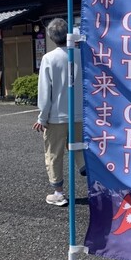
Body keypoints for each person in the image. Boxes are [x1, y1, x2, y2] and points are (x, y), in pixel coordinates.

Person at [32, 18, 85, 207]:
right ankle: (83, 166)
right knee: (79, 146)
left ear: (51, 37)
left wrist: (42, 117)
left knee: (54, 154)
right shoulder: (81, 55)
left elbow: (45, 92)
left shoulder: (49, 58)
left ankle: (58, 193)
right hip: (79, 113)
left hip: (56, 116)